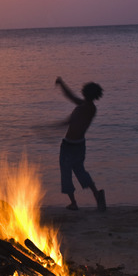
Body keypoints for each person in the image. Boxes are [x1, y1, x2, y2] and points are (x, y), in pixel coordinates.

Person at [55, 77, 106, 211]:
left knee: (66, 173)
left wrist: (50, 127)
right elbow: (71, 96)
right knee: (80, 171)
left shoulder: (84, 108)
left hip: (69, 146)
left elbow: (69, 122)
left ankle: (74, 203)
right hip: (79, 145)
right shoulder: (90, 107)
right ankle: (96, 194)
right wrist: (62, 83)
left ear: (85, 93)